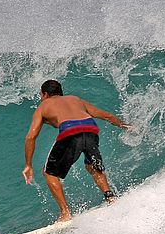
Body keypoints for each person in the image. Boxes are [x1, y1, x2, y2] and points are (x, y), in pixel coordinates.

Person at [23, 79, 130, 221]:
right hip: (91, 129)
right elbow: (106, 115)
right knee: (92, 166)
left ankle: (65, 213)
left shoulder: (43, 106)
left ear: (45, 94)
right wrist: (126, 126)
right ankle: (110, 198)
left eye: (41, 96)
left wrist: (28, 165)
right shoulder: (75, 99)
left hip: (70, 131)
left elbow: (30, 137)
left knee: (49, 173)